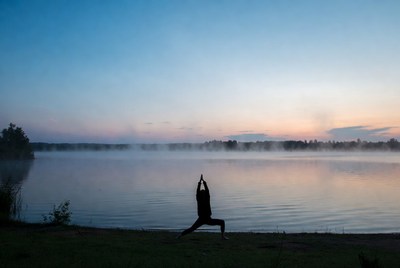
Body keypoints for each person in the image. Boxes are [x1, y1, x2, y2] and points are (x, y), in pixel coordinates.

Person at [177, 174, 228, 240]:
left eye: (204, 191)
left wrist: (202, 182)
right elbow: (201, 191)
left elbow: (205, 191)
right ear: (202, 194)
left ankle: (223, 236)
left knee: (222, 222)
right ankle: (180, 235)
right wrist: (201, 183)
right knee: (192, 228)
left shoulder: (203, 198)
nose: (204, 191)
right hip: (202, 219)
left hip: (207, 219)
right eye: (203, 192)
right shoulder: (201, 199)